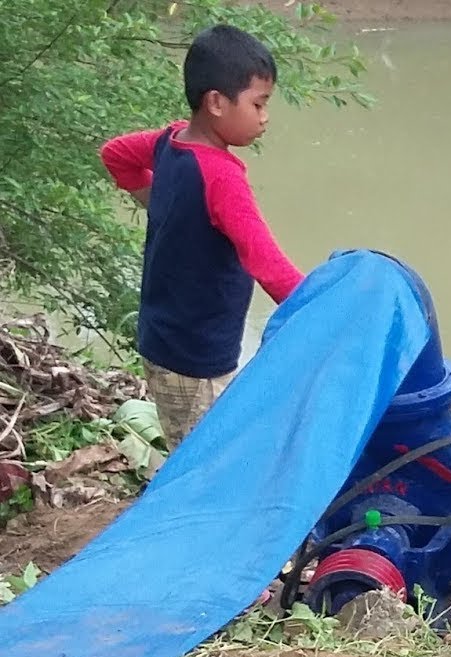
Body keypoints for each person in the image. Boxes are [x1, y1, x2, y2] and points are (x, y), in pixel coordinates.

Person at [100, 24, 305, 452]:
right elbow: (267, 263)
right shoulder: (222, 176)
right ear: (216, 102)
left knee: (193, 446)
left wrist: (159, 202)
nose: (265, 116)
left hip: (163, 339)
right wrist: (326, 306)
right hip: (197, 362)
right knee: (204, 462)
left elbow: (115, 154)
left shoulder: (169, 141)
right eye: (258, 103)